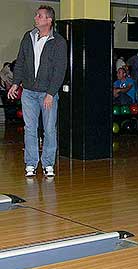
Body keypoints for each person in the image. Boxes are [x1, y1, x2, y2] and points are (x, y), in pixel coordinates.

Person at [8, 5, 67, 177]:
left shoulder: (59, 42)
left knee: (49, 129)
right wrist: (15, 83)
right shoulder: (28, 37)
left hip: (47, 93)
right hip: (28, 92)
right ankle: (31, 164)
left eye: (39, 16)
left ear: (49, 20)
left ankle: (48, 163)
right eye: (36, 15)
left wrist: (51, 93)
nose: (35, 18)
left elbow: (59, 70)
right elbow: (20, 62)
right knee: (30, 128)